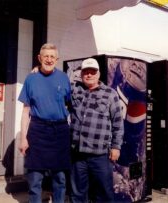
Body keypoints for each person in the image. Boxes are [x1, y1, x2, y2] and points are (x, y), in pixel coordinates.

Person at [18, 43, 71, 203]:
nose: (49, 59)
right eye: (45, 56)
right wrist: (23, 138)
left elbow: (69, 104)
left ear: (57, 59)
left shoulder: (63, 78)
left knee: (60, 178)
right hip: (38, 130)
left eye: (52, 56)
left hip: (60, 131)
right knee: (35, 179)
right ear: (39, 58)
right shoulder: (31, 79)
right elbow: (26, 111)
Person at [69, 58, 124, 203]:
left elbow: (118, 122)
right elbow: (57, 85)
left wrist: (116, 147)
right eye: (85, 72)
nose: (89, 75)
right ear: (81, 75)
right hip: (78, 155)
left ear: (98, 74)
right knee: (77, 194)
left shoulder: (110, 94)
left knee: (104, 194)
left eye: (92, 72)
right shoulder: (75, 90)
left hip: (100, 155)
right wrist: (39, 72)